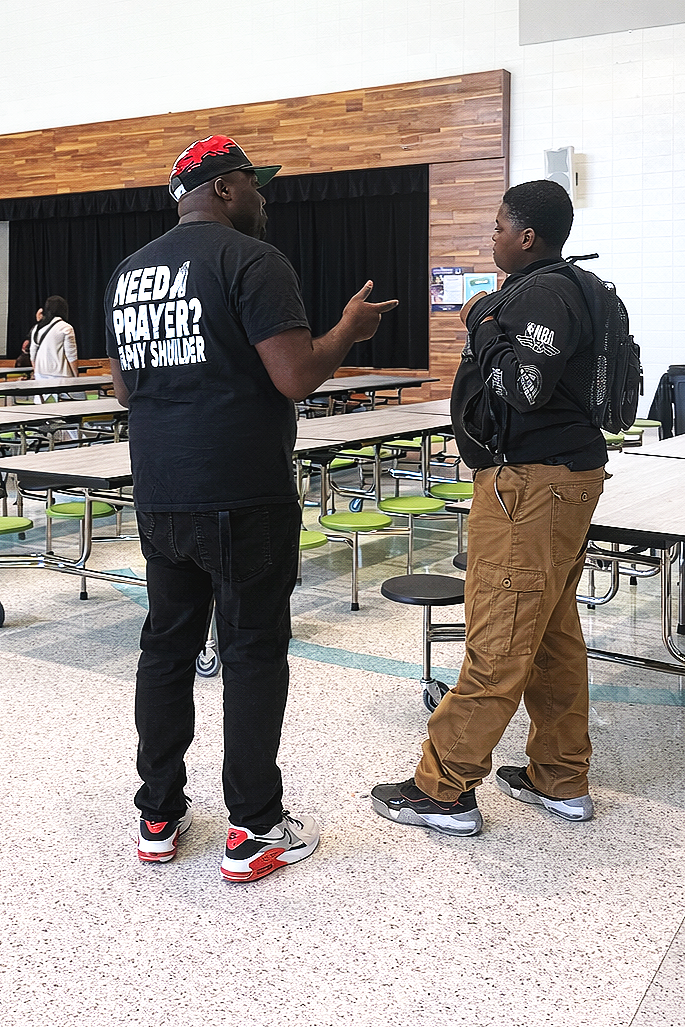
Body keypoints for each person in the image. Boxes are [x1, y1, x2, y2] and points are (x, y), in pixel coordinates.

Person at [105, 134, 398, 880]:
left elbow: (124, 390)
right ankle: (254, 828)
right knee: (251, 652)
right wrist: (348, 331)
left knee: (166, 650)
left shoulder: (129, 273)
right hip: (242, 493)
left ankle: (158, 814)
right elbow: (296, 375)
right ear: (227, 188)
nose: (263, 197)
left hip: (161, 493)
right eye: (255, 184)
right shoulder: (252, 260)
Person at [372, 179, 607, 837]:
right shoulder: (565, 286)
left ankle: (441, 788)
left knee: (498, 636)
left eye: (499, 225)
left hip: (530, 486)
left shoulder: (544, 290)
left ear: (526, 235)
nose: (492, 236)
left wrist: (478, 321)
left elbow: (526, 385)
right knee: (551, 636)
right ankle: (559, 778)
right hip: (556, 482)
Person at [30, 297, 79, 382]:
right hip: (61, 375)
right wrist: (76, 375)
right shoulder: (66, 327)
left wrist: (36, 371)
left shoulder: (37, 328)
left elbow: (33, 353)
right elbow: (71, 355)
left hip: (40, 374)